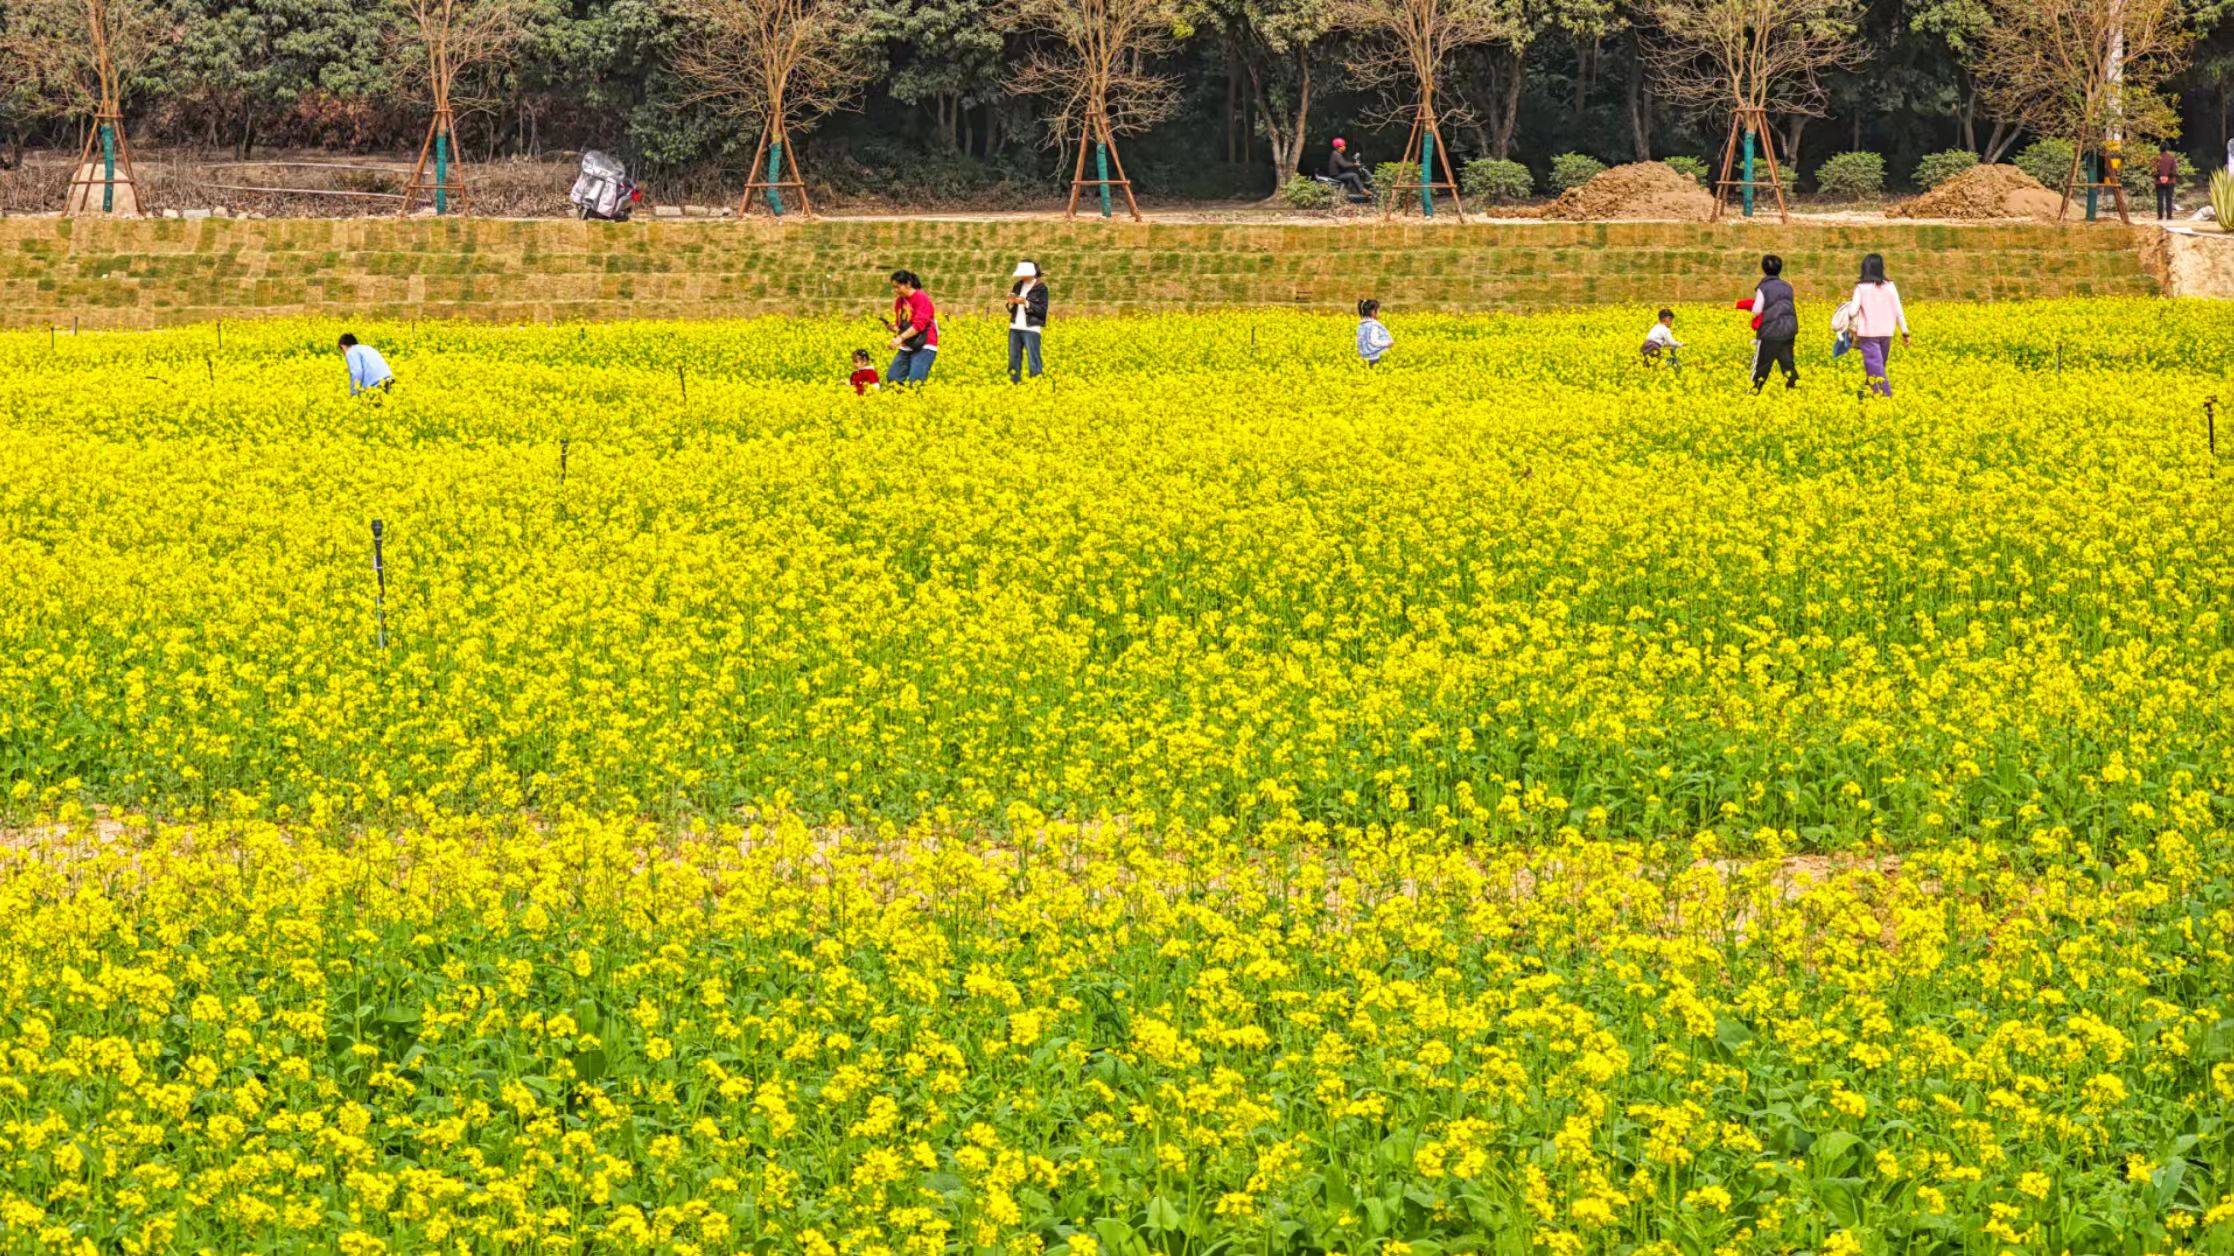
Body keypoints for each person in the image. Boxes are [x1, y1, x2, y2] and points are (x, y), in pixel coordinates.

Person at [1847, 252, 1911, 398]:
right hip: (1886, 334)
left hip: (1868, 335)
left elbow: (1852, 311)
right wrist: (1905, 332)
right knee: (1877, 369)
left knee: (1876, 371)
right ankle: (1863, 395)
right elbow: (1898, 310)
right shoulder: (1890, 286)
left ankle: (1885, 398)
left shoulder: (1861, 288)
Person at [1746, 254, 1799, 393]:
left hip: (1770, 331)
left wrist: (1747, 305)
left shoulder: (1763, 287)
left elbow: (1757, 310)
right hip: (1788, 330)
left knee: (1762, 365)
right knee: (1788, 364)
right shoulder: (1788, 286)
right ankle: (1794, 391)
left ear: (1764, 269)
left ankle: (1752, 393)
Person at [883, 270, 938, 384]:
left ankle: (916, 400)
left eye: (898, 287)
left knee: (915, 380)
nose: (895, 291)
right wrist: (894, 329)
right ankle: (900, 400)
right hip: (908, 344)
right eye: (893, 288)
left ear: (908, 284)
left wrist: (900, 338)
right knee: (893, 378)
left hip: (924, 344)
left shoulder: (921, 298)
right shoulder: (900, 301)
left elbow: (919, 325)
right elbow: (902, 325)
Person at [1005, 259, 1048, 382]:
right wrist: (1011, 303)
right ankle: (1013, 385)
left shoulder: (1041, 288)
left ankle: (1036, 384)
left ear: (1031, 273)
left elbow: (1042, 310)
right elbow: (1010, 308)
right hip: (1015, 327)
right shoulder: (1018, 285)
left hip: (1031, 328)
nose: (1021, 276)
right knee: (1013, 360)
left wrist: (1026, 303)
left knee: (1033, 360)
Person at [1356, 298, 1393, 367]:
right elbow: (1374, 341)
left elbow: (1358, 340)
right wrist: (1387, 343)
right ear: (1373, 312)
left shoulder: (1361, 325)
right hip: (1372, 358)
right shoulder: (1373, 325)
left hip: (1363, 357)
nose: (1379, 313)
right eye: (1378, 311)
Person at [2153, 148, 2180, 221]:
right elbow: (2174, 171)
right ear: (2167, 149)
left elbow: (2154, 171)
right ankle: (2169, 217)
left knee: (2160, 199)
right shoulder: (2172, 158)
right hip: (2170, 181)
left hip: (2159, 181)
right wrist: (2167, 176)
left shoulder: (2156, 158)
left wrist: (2161, 177)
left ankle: (2160, 217)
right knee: (2169, 199)